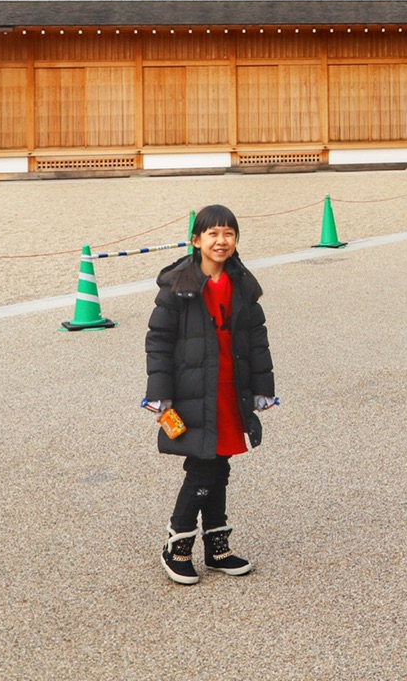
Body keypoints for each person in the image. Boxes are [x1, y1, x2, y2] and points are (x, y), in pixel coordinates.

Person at [144, 204, 277, 586]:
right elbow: (159, 341)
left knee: (220, 466)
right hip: (192, 392)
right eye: (213, 234)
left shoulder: (242, 285)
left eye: (229, 234)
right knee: (202, 466)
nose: (221, 241)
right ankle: (177, 545)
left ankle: (217, 547)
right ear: (196, 240)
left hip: (229, 390)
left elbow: (256, 340)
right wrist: (160, 394)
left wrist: (263, 389)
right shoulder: (178, 287)